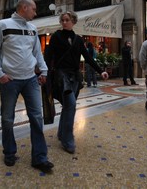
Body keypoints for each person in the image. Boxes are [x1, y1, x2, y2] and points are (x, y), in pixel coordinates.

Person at [0, 0, 53, 173]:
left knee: (37, 118)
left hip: (31, 79)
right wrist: (0, 74)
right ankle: (9, 152)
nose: (36, 12)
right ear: (24, 8)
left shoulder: (32, 29)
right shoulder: (2, 25)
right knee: (8, 119)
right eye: (33, 9)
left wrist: (44, 71)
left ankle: (39, 157)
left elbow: (37, 53)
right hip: (10, 81)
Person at [45, 11, 108, 154]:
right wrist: (44, 73)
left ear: (73, 21)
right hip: (61, 75)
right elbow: (48, 56)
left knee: (68, 106)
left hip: (75, 76)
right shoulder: (56, 36)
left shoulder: (78, 39)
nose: (65, 22)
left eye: (67, 20)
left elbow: (88, 57)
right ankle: (68, 140)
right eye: (63, 20)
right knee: (71, 104)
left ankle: (62, 133)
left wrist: (100, 71)